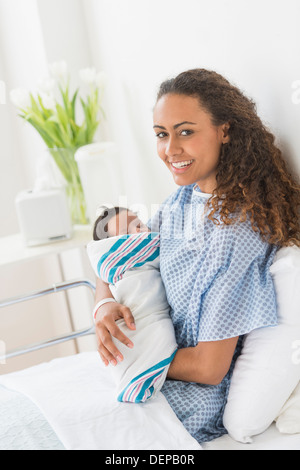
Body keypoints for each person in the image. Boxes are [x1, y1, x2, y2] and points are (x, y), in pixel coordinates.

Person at [92, 69, 300, 443]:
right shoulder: (183, 201)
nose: (170, 149)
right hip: (151, 376)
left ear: (225, 130)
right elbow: (118, 258)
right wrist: (103, 307)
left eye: (186, 131)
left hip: (188, 403)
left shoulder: (236, 234)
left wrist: (135, 354)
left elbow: (208, 368)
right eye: (161, 134)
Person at [87, 206, 177, 403]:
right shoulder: (122, 263)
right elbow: (104, 263)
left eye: (139, 225)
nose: (139, 232)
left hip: (153, 317)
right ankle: (136, 376)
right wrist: (103, 303)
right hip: (134, 320)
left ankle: (142, 372)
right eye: (127, 233)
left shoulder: (165, 233)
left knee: (160, 334)